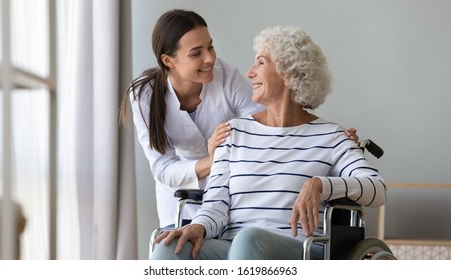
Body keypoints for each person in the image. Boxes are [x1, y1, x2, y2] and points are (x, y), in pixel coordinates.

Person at [151, 25, 386, 260]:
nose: (250, 72)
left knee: (250, 240)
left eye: (260, 63)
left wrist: (320, 185)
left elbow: (377, 190)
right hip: (233, 248)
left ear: (289, 72)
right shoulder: (233, 133)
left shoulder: (331, 137)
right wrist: (198, 227)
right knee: (169, 248)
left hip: (300, 250)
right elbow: (215, 205)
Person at [119, 9, 360, 228]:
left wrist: (331, 141)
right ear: (168, 60)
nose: (210, 59)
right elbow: (162, 168)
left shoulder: (225, 76)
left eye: (210, 47)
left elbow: (268, 125)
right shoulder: (143, 96)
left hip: (232, 195)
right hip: (181, 198)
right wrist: (211, 161)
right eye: (197, 53)